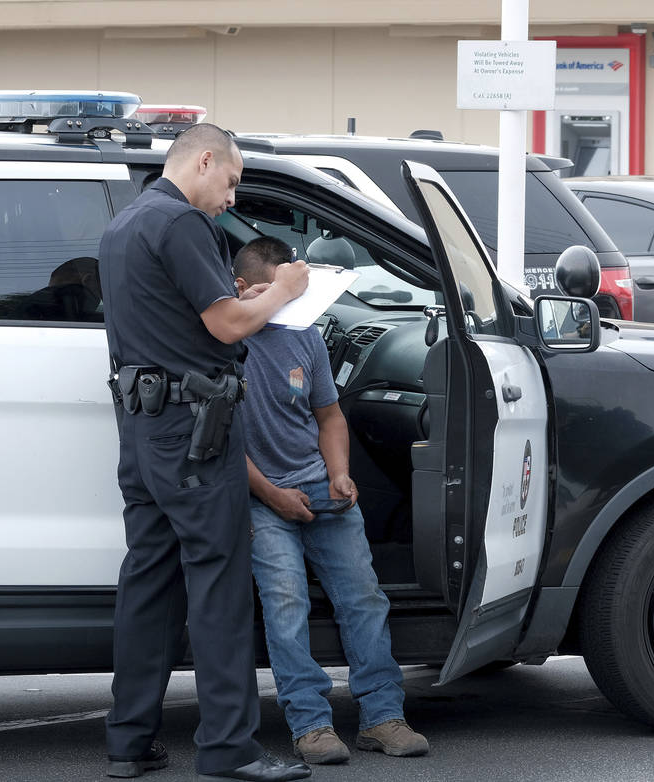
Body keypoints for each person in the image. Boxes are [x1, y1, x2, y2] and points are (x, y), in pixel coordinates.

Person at [98, 124, 313, 782]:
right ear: (206, 160)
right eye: (232, 181)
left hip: (143, 433)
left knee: (148, 589)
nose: (231, 195)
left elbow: (187, 311)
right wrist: (282, 290)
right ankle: (230, 750)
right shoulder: (183, 222)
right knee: (217, 587)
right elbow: (221, 327)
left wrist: (240, 296)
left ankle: (129, 743)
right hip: (196, 432)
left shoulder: (126, 225)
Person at [233, 236, 430, 765]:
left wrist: (340, 475)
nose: (293, 306)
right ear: (244, 290)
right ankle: (311, 725)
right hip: (260, 496)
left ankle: (383, 717)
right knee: (286, 602)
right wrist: (273, 497)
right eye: (284, 293)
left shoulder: (307, 339)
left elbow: (330, 417)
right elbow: (223, 445)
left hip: (320, 486)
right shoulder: (229, 343)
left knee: (365, 598)